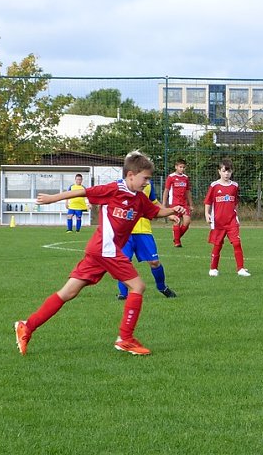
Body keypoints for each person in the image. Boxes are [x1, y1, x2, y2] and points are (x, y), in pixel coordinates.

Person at [14, 151, 185, 356]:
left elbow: (155, 212)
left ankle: (27, 326)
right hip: (106, 249)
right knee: (138, 286)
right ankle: (125, 339)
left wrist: (173, 211)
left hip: (100, 251)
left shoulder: (139, 199)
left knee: (68, 292)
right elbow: (83, 192)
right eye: (145, 178)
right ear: (131, 175)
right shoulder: (113, 189)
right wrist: (53, 198)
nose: (147, 183)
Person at [116, 179, 177, 300]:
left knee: (154, 262)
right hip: (125, 231)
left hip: (143, 230)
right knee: (123, 262)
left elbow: (154, 202)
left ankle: (162, 287)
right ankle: (123, 293)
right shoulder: (119, 184)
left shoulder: (149, 183)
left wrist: (168, 213)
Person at [204, 159, 250, 277]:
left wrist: (236, 214)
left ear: (232, 172)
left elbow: (235, 202)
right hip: (218, 221)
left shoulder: (234, 186)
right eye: (224, 171)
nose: (226, 174)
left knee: (236, 243)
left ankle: (240, 269)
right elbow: (208, 201)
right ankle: (213, 268)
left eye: (228, 171)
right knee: (218, 244)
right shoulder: (214, 186)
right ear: (219, 171)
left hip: (232, 221)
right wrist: (207, 214)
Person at [163, 158, 194, 247]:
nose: (182, 169)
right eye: (180, 167)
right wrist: (164, 204)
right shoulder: (171, 177)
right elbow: (166, 190)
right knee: (177, 221)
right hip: (174, 203)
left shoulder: (186, 178)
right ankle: (177, 242)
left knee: (187, 222)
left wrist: (191, 204)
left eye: (183, 167)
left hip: (184, 204)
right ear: (176, 167)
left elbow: (188, 192)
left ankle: (176, 237)